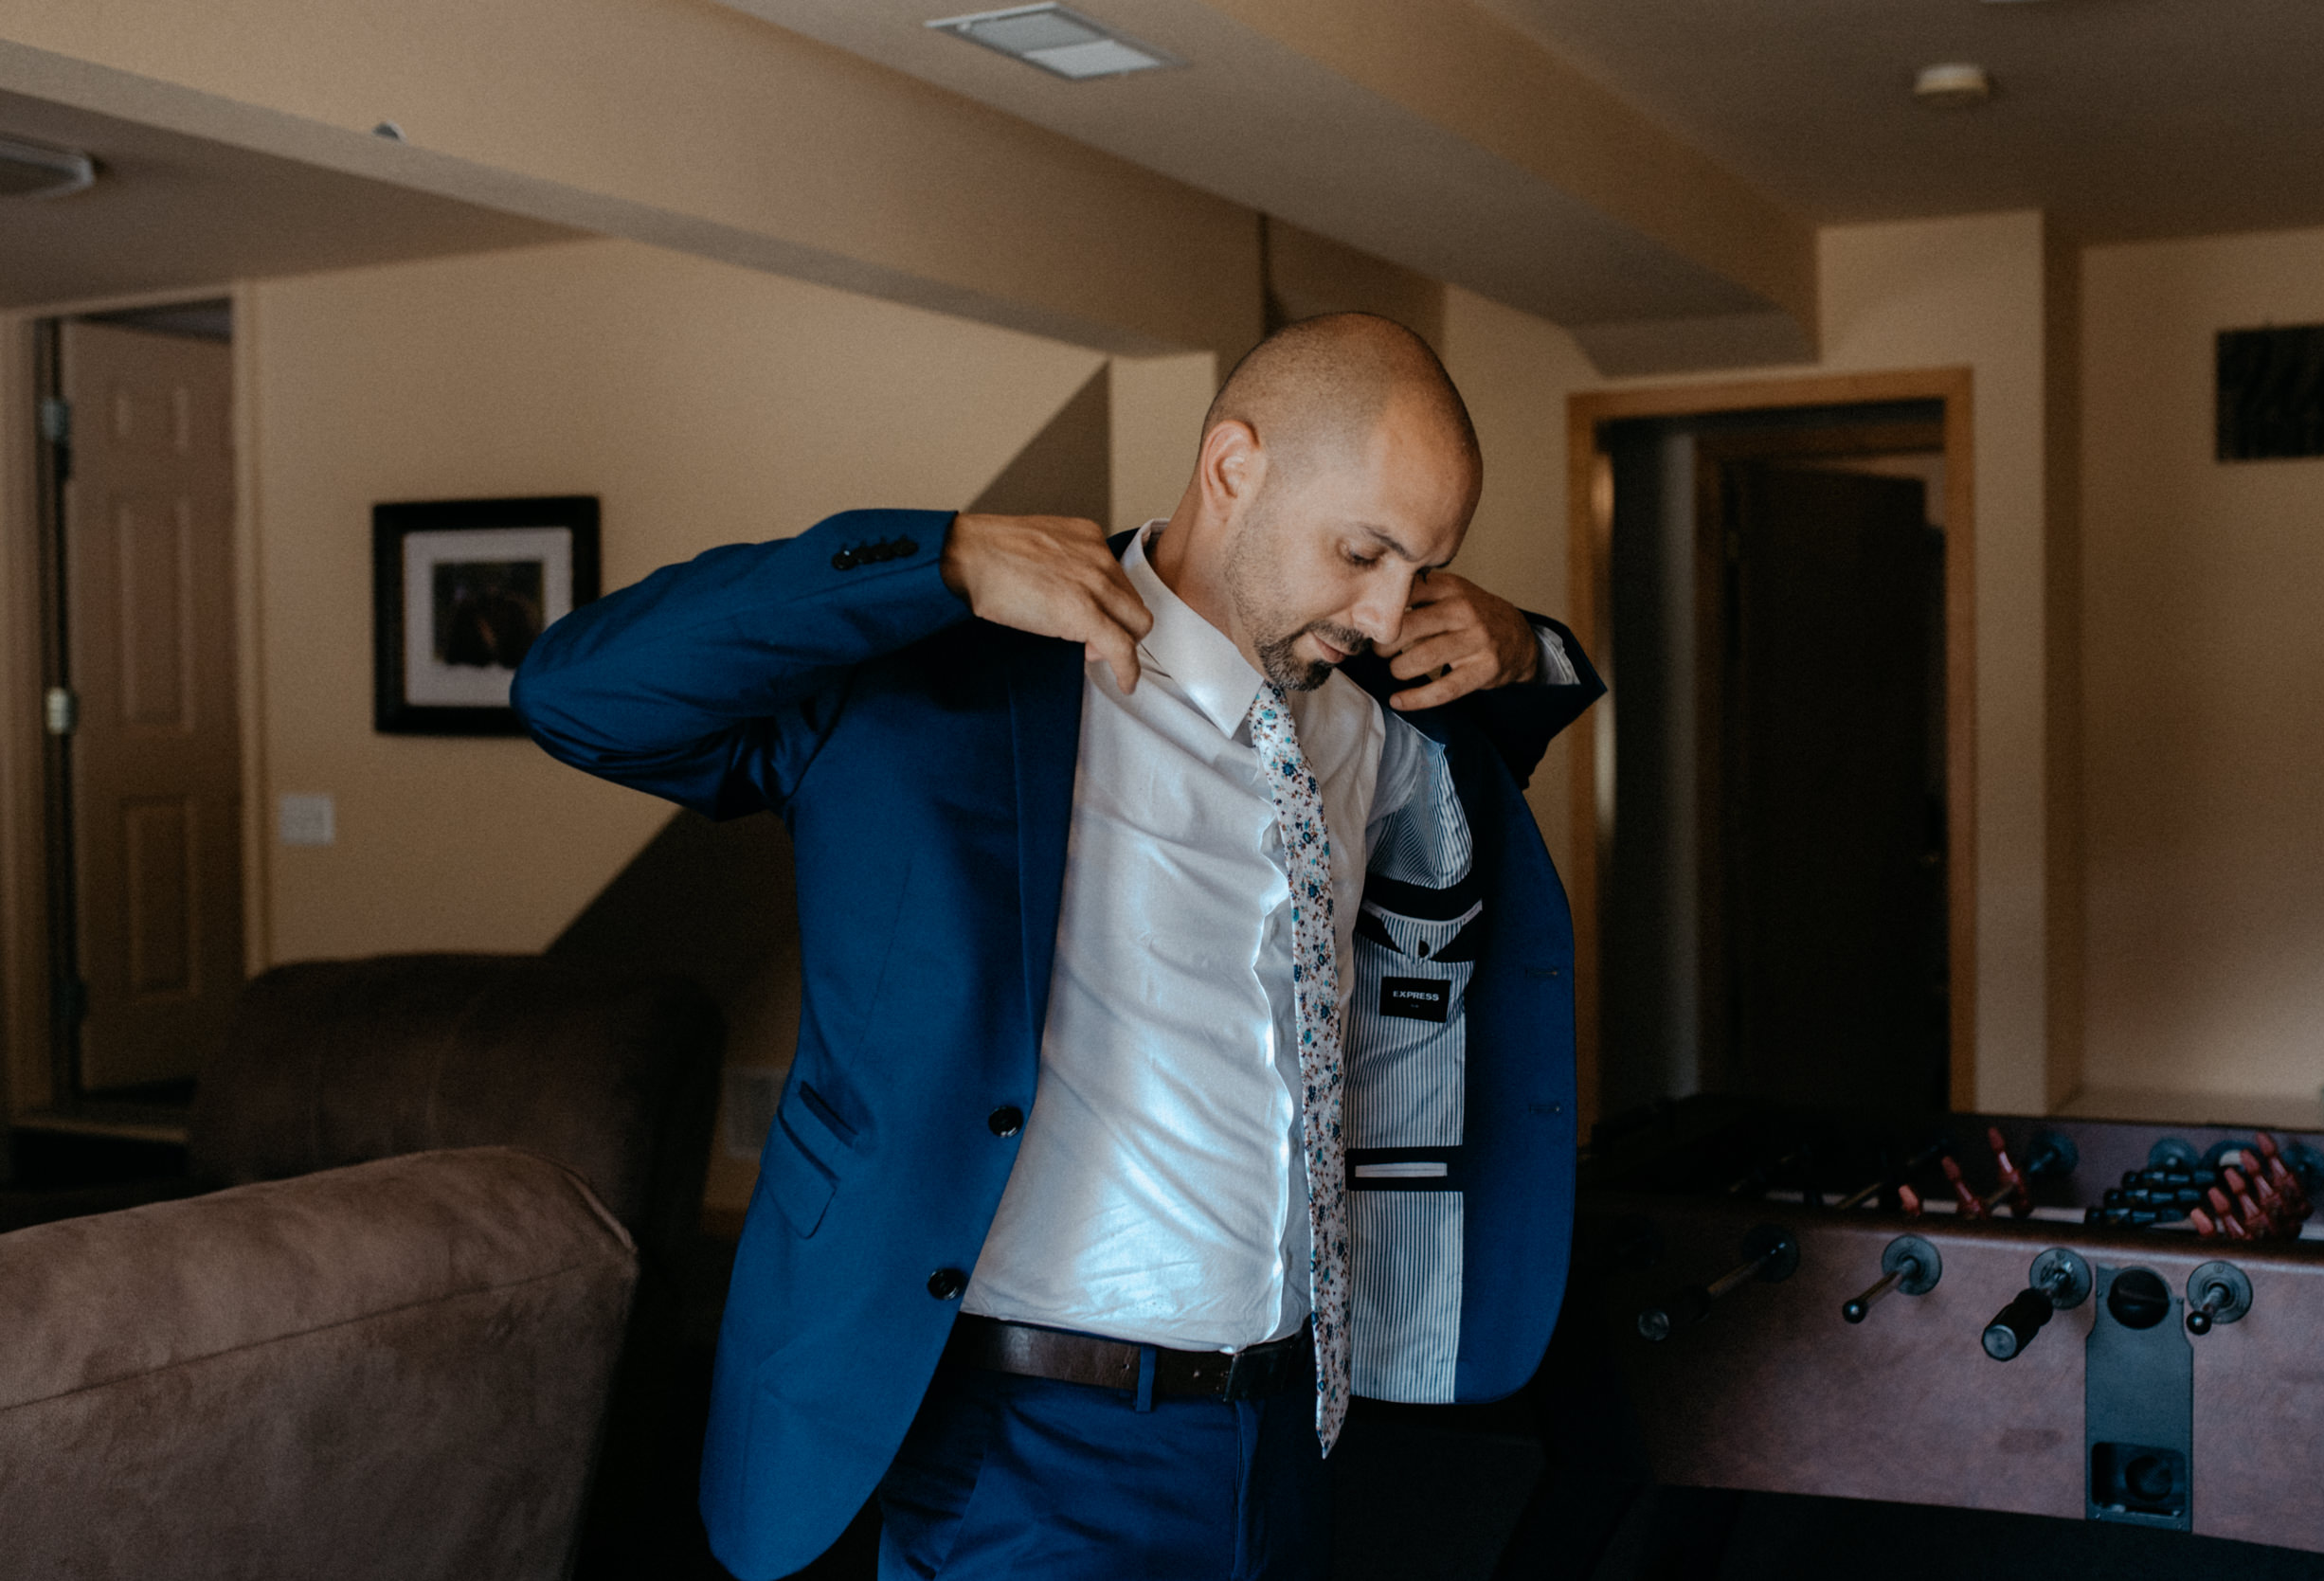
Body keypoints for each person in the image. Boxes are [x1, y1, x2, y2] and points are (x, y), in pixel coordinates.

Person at [512, 312, 1604, 1581]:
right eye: (1362, 549)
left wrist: (1528, 646)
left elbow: (1503, 751)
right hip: (1022, 1450)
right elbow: (576, 693)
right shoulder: (939, 679)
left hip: (1293, 1431)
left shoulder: (1374, 718)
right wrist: (942, 561)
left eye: (1422, 568)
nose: (1383, 609)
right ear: (1234, 468)